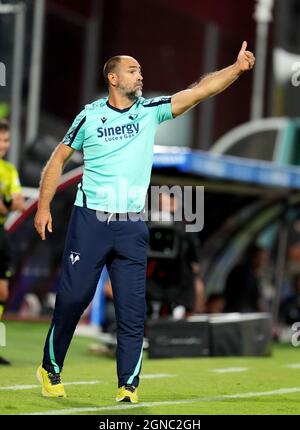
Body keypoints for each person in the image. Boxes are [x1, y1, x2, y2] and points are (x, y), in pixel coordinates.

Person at [34, 43, 255, 403]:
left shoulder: (150, 111)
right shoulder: (88, 117)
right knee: (74, 298)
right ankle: (50, 366)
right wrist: (43, 208)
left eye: (140, 70)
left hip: (132, 225)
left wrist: (234, 69)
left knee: (133, 309)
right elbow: (56, 161)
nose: (141, 75)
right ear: (113, 77)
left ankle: (128, 385)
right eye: (133, 70)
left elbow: (199, 90)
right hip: (90, 220)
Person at [0, 119, 25, 364]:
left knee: (2, 292)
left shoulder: (8, 170)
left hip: (1, 235)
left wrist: (5, 204)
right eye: (0, 139)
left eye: (6, 140)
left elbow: (18, 203)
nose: (3, 144)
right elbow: (12, 202)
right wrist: (8, 203)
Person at [223, 244, 269, 313]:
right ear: (253, 257)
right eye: (261, 258)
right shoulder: (245, 273)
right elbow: (247, 296)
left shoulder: (246, 272)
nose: (263, 262)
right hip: (240, 313)